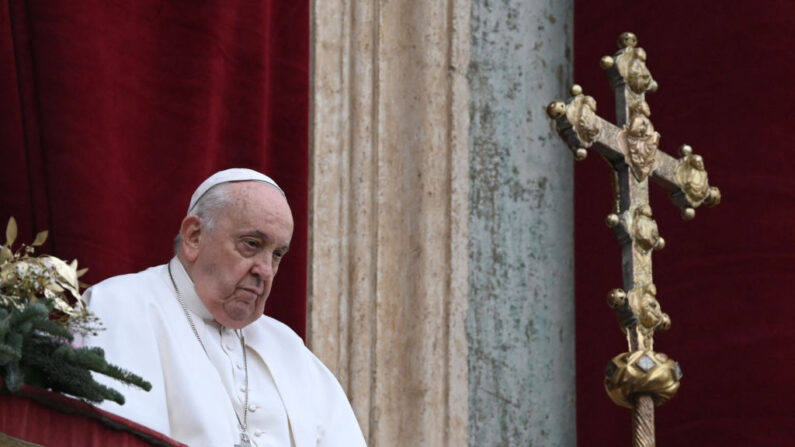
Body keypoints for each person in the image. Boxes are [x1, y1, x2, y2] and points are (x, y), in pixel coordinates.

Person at [81, 169, 367, 447]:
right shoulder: (120, 307)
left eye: (277, 254)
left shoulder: (289, 349)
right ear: (194, 236)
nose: (266, 270)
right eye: (251, 244)